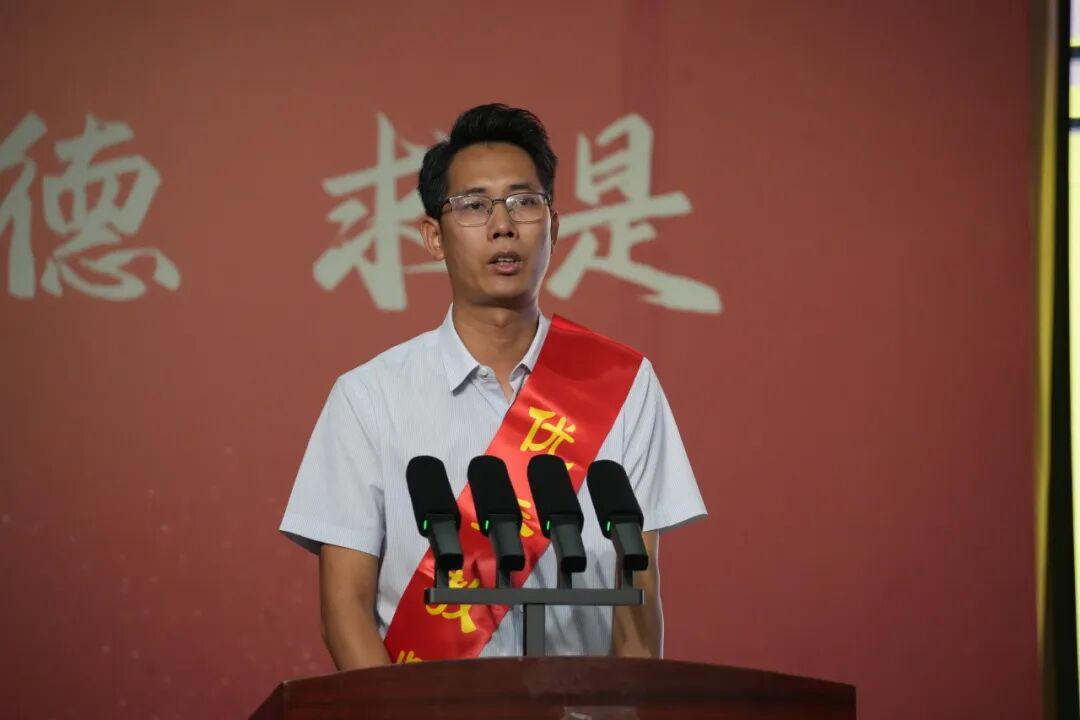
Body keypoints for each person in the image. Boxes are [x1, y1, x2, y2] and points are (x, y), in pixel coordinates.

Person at [280, 103, 706, 670]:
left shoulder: (624, 385)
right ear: (433, 237)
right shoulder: (368, 398)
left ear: (553, 227)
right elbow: (345, 612)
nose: (503, 225)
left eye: (524, 202)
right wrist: (402, 718)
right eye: (474, 205)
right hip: (427, 712)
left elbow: (639, 606)